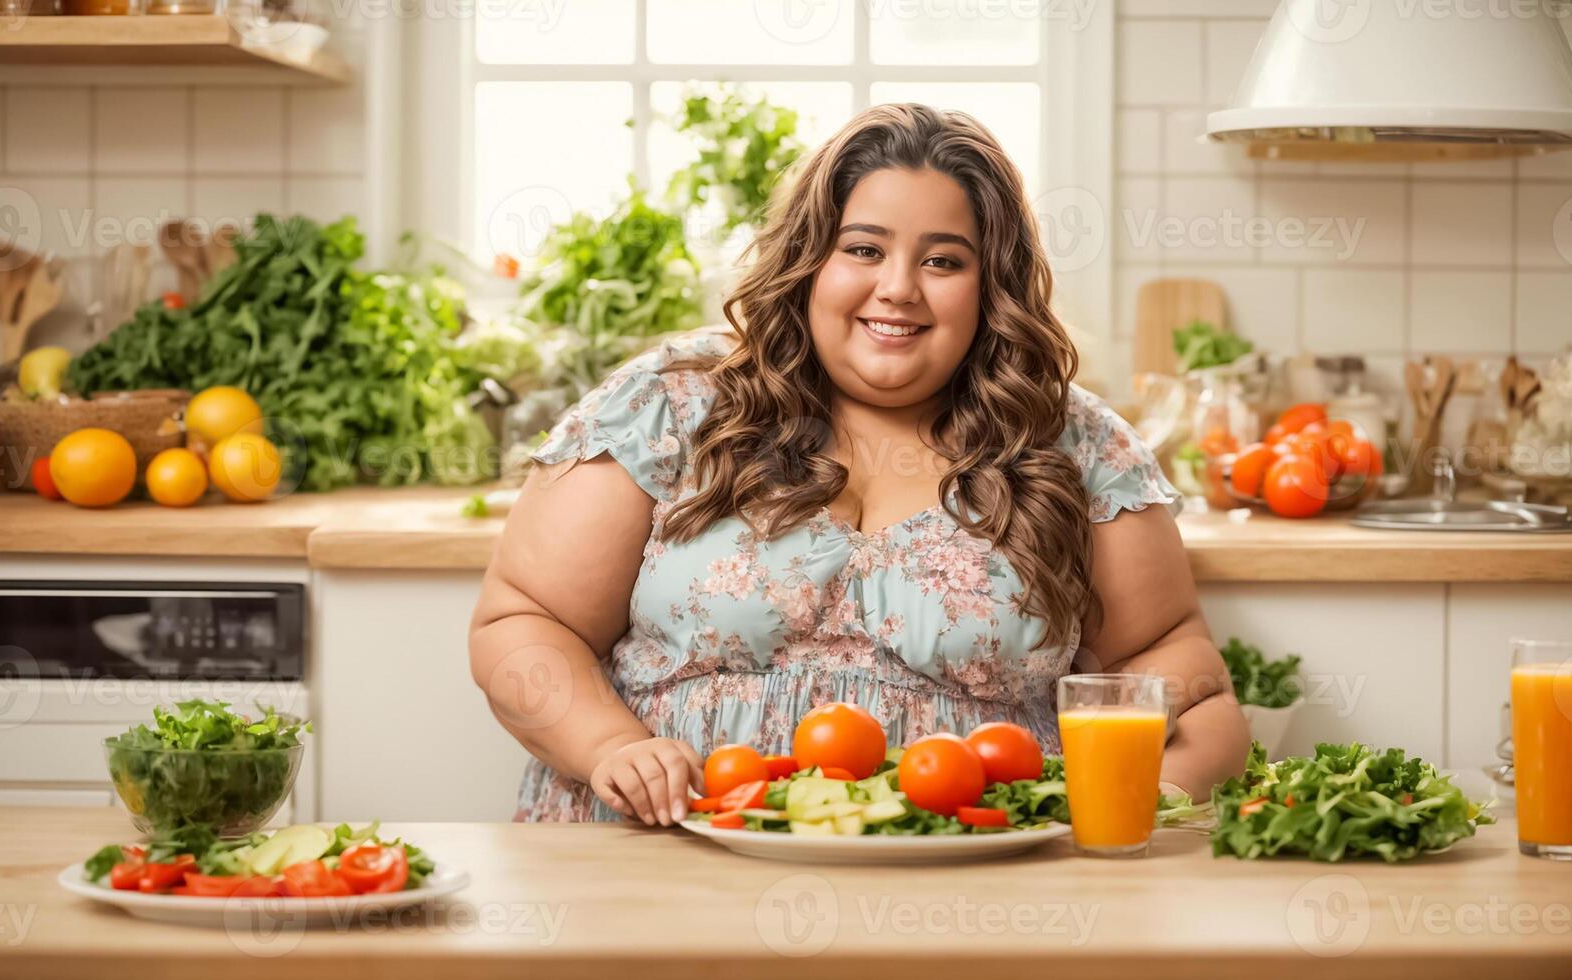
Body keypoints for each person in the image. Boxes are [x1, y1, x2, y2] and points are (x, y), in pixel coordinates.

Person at [469, 103, 1249, 825]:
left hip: (977, 886)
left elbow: (1178, 669)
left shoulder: (1070, 443)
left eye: (944, 261)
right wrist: (610, 746)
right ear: (810, 261)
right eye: (864, 249)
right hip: (653, 859)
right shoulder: (669, 407)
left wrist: (1133, 802)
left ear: (992, 286)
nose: (898, 289)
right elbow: (526, 621)